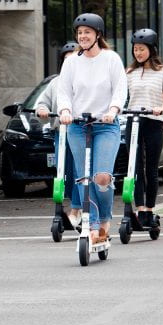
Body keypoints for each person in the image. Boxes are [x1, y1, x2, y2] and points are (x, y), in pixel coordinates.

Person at [57, 13, 127, 243]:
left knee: (102, 177)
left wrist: (113, 110)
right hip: (78, 126)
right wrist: (65, 110)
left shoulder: (111, 59)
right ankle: (94, 225)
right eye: (79, 33)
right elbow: (64, 91)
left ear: (98, 34)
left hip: (105, 126)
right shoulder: (71, 62)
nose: (83, 36)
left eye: (87, 32)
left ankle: (105, 218)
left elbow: (120, 89)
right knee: (84, 178)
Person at [125, 28, 163, 227]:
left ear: (152, 49)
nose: (138, 53)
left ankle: (150, 208)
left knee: (151, 167)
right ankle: (140, 209)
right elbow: (121, 96)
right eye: (135, 49)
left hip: (154, 120)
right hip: (134, 120)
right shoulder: (129, 72)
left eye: (141, 49)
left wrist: (161, 109)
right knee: (134, 167)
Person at [36, 41, 80, 226]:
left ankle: (77, 208)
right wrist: (42, 110)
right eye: (66, 60)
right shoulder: (55, 83)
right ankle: (73, 203)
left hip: (79, 131)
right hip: (60, 132)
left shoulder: (84, 81)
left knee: (80, 171)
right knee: (64, 172)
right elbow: (41, 102)